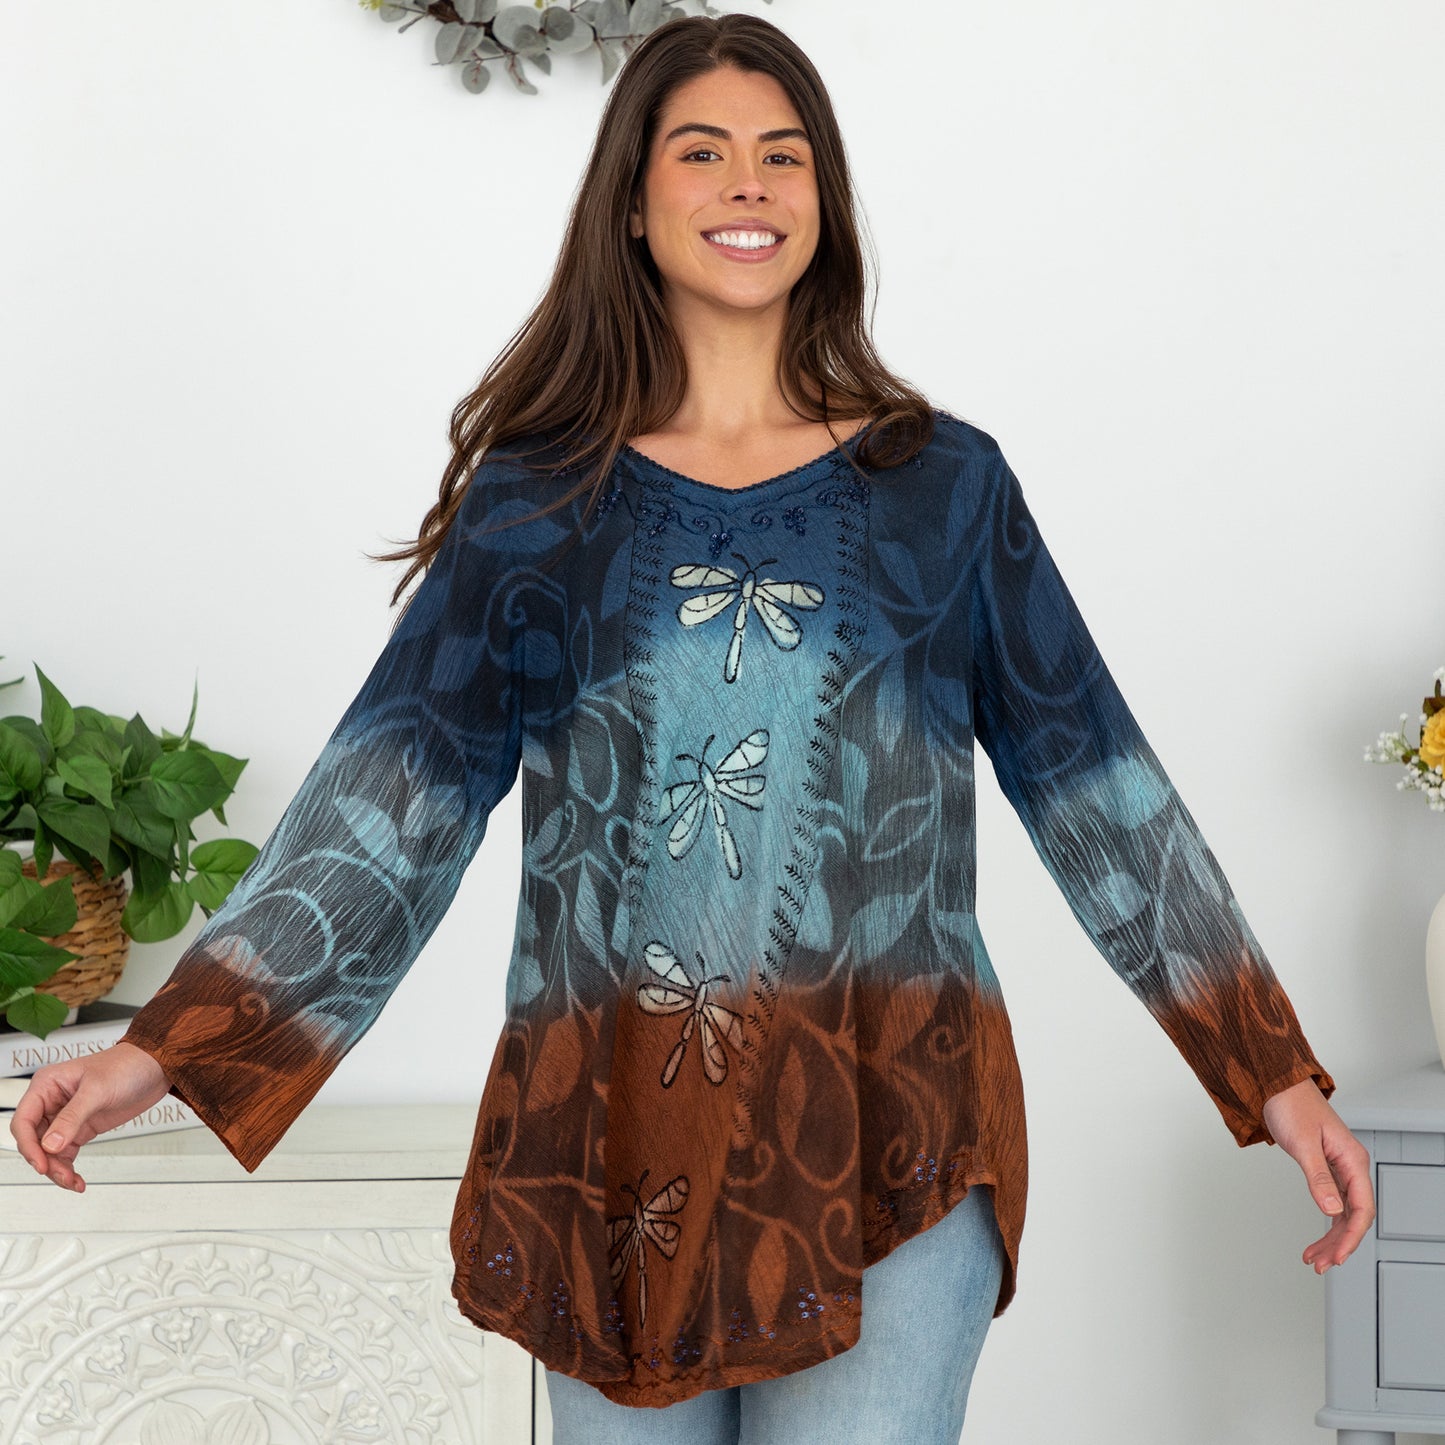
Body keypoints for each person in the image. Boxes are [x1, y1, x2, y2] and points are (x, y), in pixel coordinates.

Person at [11, 14, 1373, 1444]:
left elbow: (1096, 787)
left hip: (891, 1138)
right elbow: (393, 808)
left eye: (785, 157)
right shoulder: (538, 505)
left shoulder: (945, 490)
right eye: (704, 152)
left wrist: (1269, 1072)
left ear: (823, 202)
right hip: (609, 1158)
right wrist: (165, 1049)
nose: (748, 186)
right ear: (634, 202)